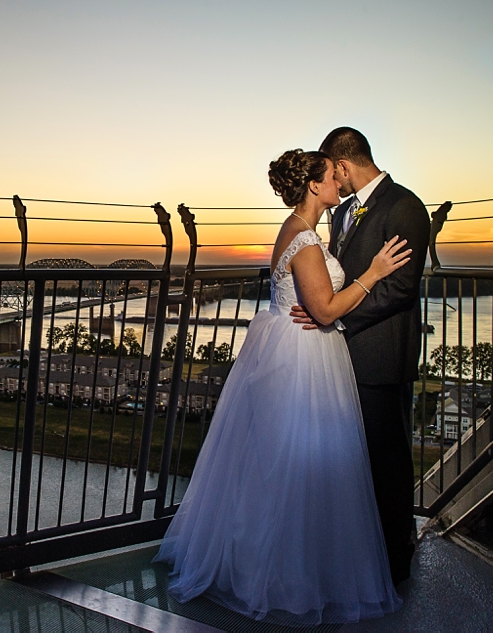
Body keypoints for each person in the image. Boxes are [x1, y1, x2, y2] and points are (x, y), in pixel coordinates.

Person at [154, 149, 409, 625]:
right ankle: (287, 579)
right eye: (332, 176)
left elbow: (313, 301)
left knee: (279, 465)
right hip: (304, 357)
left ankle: (272, 568)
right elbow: (325, 310)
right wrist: (373, 273)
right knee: (302, 465)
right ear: (314, 185)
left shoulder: (298, 230)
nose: (340, 183)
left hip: (291, 348)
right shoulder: (305, 240)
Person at [292, 127, 430, 584]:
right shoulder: (343, 211)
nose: (334, 181)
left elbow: (400, 287)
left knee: (387, 461)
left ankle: (395, 560)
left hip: (381, 358)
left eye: (334, 172)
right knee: (351, 461)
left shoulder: (404, 206)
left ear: (343, 166)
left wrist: (335, 317)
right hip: (341, 358)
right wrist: (325, 309)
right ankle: (358, 553)